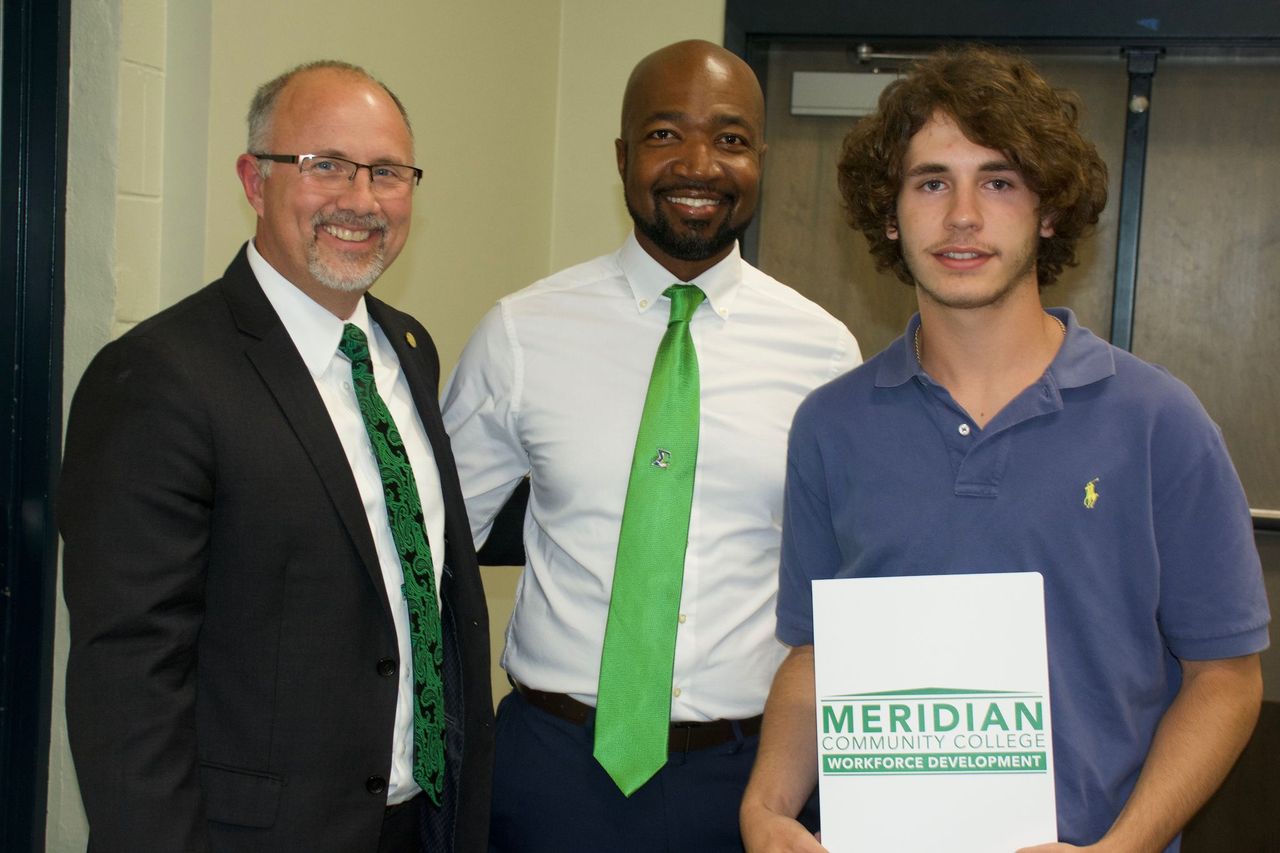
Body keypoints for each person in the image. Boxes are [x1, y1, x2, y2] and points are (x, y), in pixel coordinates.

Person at [739, 45, 1270, 853]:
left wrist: (1118, 850)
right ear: (891, 213)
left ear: (1048, 210)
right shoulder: (831, 425)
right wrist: (767, 809)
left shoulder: (1159, 421)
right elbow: (819, 651)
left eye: (998, 181)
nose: (962, 216)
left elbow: (1226, 680)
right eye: (930, 183)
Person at [60, 60, 493, 853]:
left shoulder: (407, 350)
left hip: (417, 822)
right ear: (253, 180)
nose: (360, 200)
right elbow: (128, 683)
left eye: (387, 172)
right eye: (324, 164)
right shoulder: (157, 377)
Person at [442, 39, 860, 852]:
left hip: (753, 783)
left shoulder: (824, 353)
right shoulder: (522, 333)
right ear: (623, 156)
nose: (699, 163)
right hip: (554, 770)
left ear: (760, 159)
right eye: (667, 135)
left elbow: (848, 586)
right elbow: (427, 540)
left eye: (731, 139)